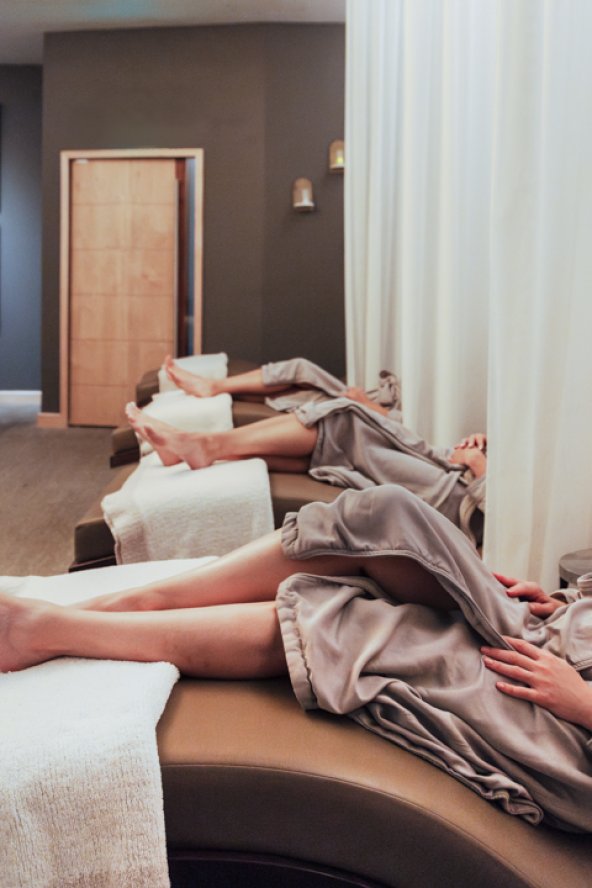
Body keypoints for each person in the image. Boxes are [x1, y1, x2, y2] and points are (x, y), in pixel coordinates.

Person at [1, 485, 591, 831]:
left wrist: (582, 701)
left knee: (352, 626)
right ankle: (136, 601)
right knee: (388, 511)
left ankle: (55, 630)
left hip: (569, 724)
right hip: (554, 630)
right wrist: (565, 597)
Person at [126, 393, 488, 546]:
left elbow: (512, 512)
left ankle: (205, 444)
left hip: (459, 503)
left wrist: (480, 467)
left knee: (344, 418)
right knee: (331, 436)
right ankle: (205, 445)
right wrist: (476, 448)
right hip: (456, 476)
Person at [163, 354, 403, 418]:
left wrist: (366, 403)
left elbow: (407, 428)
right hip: (371, 403)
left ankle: (213, 386)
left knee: (301, 369)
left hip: (372, 414)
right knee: (302, 384)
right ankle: (214, 386)